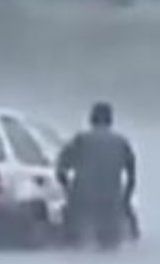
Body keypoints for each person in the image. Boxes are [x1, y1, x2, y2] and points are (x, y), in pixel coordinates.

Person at [56, 102, 137, 249]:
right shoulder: (122, 143)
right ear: (111, 120)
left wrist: (69, 193)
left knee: (74, 246)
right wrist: (125, 202)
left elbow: (60, 170)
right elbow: (131, 178)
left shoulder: (80, 140)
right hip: (111, 202)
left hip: (82, 201)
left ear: (91, 119)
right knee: (111, 248)